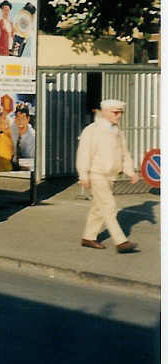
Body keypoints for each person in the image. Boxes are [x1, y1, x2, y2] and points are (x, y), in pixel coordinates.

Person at [76, 99, 140, 253]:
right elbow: (84, 153)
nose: (118, 116)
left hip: (111, 176)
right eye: (115, 112)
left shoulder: (117, 131)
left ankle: (88, 237)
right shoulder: (92, 130)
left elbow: (124, 153)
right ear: (105, 112)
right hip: (96, 174)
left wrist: (130, 171)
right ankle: (121, 242)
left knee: (99, 208)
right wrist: (83, 174)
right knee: (109, 206)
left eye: (120, 113)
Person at [10, 103, 35, 169]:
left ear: (28, 119)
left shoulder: (33, 137)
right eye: (18, 117)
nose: (20, 121)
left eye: (23, 117)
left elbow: (32, 163)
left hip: (25, 169)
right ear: (15, 119)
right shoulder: (12, 127)